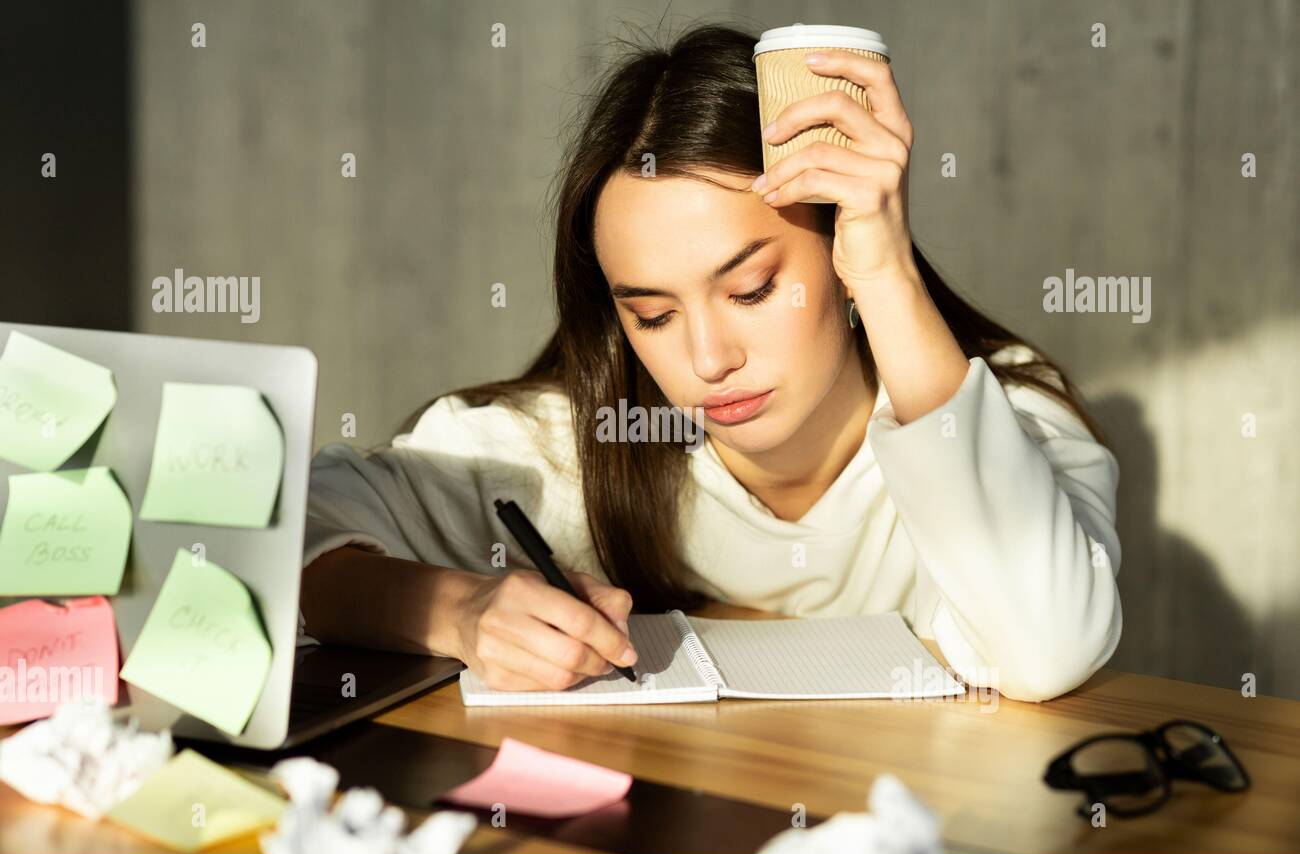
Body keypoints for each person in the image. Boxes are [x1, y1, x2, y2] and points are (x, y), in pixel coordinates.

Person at [299, 24, 1121, 703]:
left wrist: (888, 272)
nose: (707, 359)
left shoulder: (1009, 423)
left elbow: (1045, 648)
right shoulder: (576, 446)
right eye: (652, 314)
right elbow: (266, 535)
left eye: (754, 290)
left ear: (842, 250)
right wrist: (460, 609)